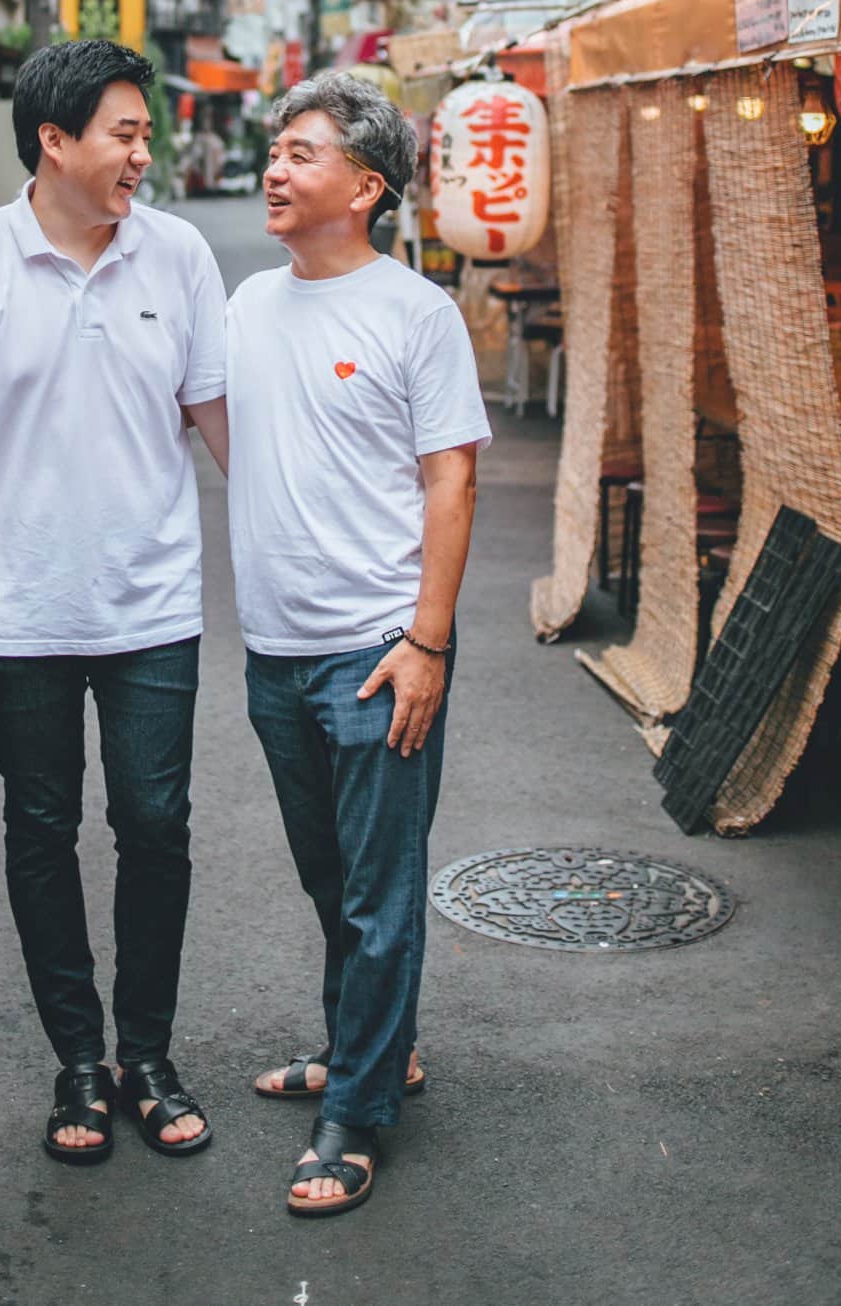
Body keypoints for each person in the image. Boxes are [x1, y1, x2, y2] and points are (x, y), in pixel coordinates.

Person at [0, 39, 229, 1169]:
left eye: (144, 132)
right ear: (55, 140)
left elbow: (223, 427)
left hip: (152, 606)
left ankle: (147, 1054)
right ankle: (77, 1061)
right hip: (22, 604)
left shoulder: (177, 256)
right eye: (125, 132)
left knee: (155, 828)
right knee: (40, 831)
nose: (145, 151)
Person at [226, 71, 489, 1218]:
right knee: (332, 881)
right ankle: (371, 1048)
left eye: (302, 154)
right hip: (274, 649)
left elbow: (453, 479)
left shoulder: (414, 314)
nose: (275, 171)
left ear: (367, 186)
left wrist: (427, 642)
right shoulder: (242, 307)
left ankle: (358, 1113)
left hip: (379, 648)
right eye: (275, 152)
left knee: (382, 895)